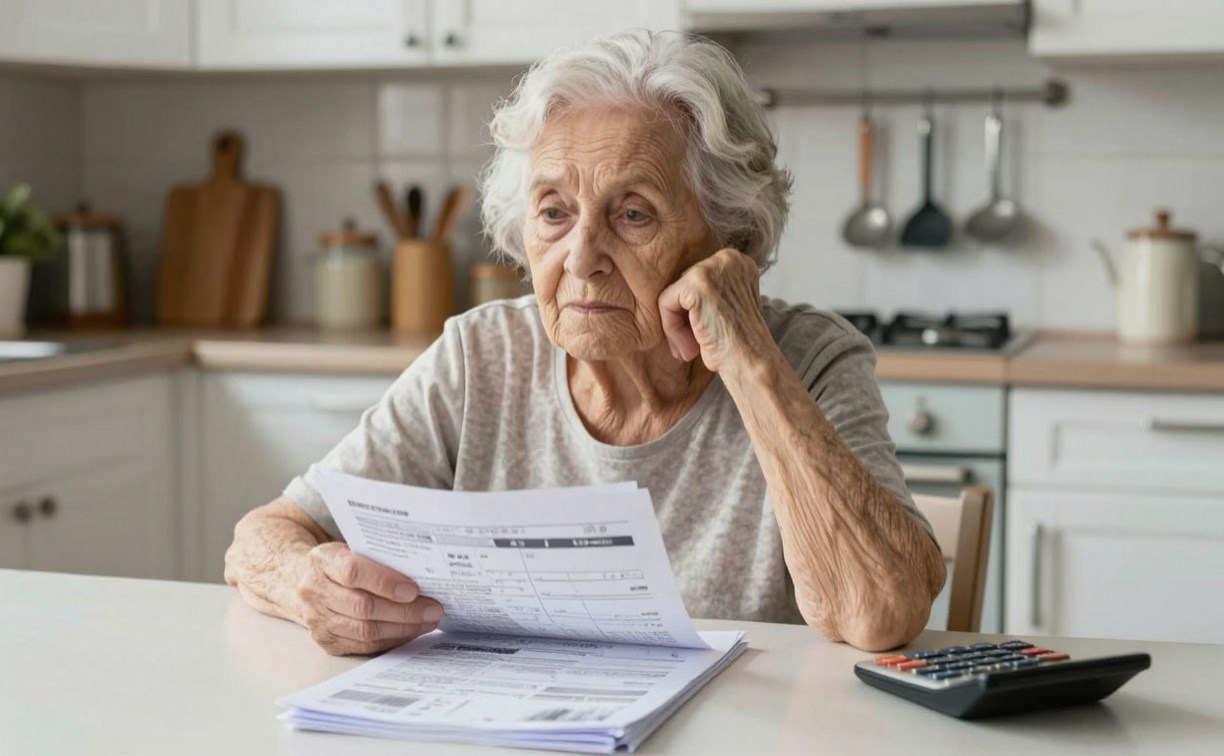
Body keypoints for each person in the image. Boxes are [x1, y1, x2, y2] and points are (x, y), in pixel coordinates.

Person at [225, 30, 945, 656]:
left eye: (633, 214)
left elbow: (879, 612)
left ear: (728, 235)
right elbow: (263, 538)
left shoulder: (809, 360)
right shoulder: (481, 357)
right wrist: (307, 582)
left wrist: (752, 361)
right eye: (554, 213)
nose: (581, 257)